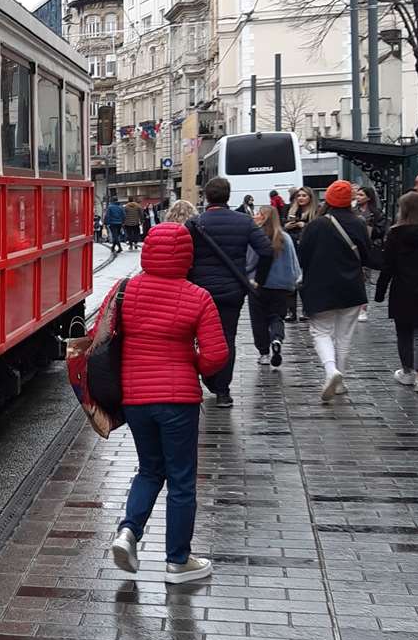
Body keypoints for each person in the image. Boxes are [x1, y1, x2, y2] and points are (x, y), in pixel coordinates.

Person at [106, 222, 230, 584]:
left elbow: (104, 339)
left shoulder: (125, 289)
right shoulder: (198, 297)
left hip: (135, 397)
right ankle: (178, 561)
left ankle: (128, 532)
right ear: (187, 256)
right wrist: (189, 363)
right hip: (178, 400)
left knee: (149, 469)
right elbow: (215, 356)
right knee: (181, 480)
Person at [187, 177, 273, 409]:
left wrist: (189, 280)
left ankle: (206, 378)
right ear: (228, 195)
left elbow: (184, 257)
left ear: (206, 196)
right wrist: (257, 280)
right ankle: (223, 391)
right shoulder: (244, 222)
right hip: (232, 290)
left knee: (198, 338)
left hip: (200, 291)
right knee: (227, 338)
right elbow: (266, 251)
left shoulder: (195, 223)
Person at [299, 180, 373, 402]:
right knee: (344, 336)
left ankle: (331, 371)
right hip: (351, 287)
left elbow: (303, 257)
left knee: (321, 331)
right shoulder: (359, 223)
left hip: (320, 287)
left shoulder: (316, 225)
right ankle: (340, 381)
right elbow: (367, 256)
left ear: (328, 199)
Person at [374, 191, 418, 394]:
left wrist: (380, 292)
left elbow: (388, 266)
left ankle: (408, 372)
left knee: (404, 333)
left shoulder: (395, 234)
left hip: (402, 289)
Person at [248, 206, 300, 368]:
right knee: (277, 317)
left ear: (263, 217)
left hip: (258, 285)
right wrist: (294, 280)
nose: (255, 216)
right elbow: (293, 262)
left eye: (258, 214)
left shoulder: (256, 237)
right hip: (281, 286)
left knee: (259, 320)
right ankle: (277, 338)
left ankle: (264, 353)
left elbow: (249, 261)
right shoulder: (285, 237)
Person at [283, 187, 318, 322]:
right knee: (292, 280)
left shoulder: (315, 212)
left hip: (308, 248)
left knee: (307, 280)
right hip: (292, 247)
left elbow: (318, 228)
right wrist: (287, 226)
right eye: (299, 196)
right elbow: (281, 226)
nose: (301, 198)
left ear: (310, 197)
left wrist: (305, 225)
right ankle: (291, 311)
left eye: (304, 195)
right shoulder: (290, 210)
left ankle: (307, 309)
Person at [353, 185, 386, 323]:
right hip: (352, 248)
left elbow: (381, 231)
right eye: (357, 194)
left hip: (367, 249)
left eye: (361, 195)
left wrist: (367, 227)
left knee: (365, 278)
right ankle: (353, 306)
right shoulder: (352, 211)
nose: (358, 197)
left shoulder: (376, 213)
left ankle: (363, 308)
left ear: (368, 197)